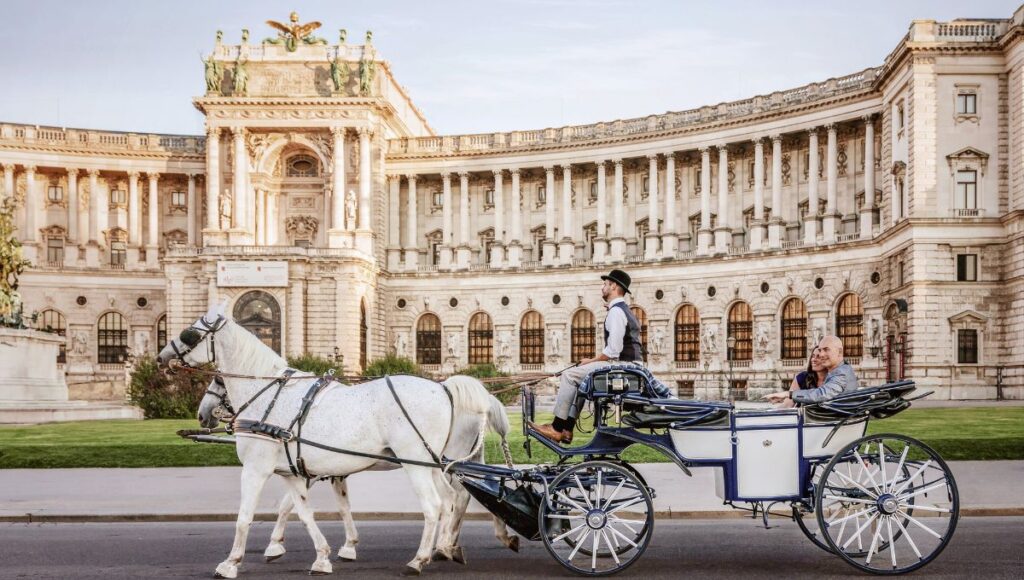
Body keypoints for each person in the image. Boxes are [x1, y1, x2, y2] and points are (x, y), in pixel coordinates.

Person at [531, 269, 643, 444]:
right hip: (631, 367)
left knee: (569, 375)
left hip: (623, 367)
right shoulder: (622, 310)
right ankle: (567, 429)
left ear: (614, 286)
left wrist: (590, 361)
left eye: (605, 284)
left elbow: (613, 352)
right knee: (583, 380)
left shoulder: (616, 312)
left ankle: (557, 428)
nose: (602, 287)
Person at [766, 335, 859, 405]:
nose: (821, 355)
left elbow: (821, 394)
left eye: (826, 349)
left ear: (840, 351)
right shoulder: (841, 369)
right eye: (820, 350)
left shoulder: (841, 373)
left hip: (831, 422)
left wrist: (788, 394)